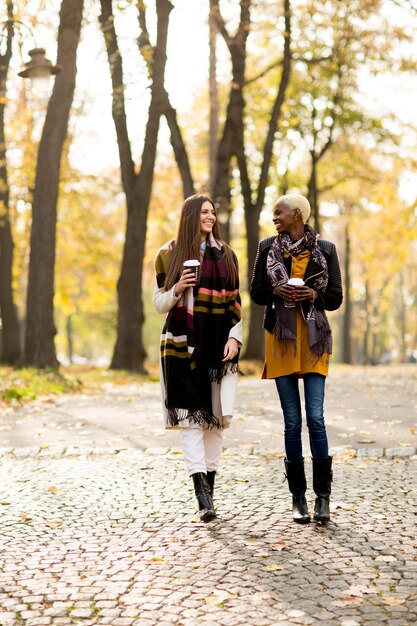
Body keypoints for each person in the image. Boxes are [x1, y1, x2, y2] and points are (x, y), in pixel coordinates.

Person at [250, 193, 343, 523]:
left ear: (297, 214)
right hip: (280, 339)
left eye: (279, 212)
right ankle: (298, 499)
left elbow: (335, 299)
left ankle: (323, 499)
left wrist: (313, 294)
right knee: (292, 421)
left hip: (314, 339)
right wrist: (275, 291)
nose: (274, 217)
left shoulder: (326, 249)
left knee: (315, 418)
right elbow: (256, 292)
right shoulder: (266, 248)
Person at [153, 194, 242, 522]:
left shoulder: (228, 255)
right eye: (205, 212)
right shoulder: (168, 254)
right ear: (191, 216)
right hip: (180, 347)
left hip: (218, 346)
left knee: (215, 423)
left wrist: (235, 338)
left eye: (213, 212)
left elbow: (236, 302)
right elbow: (159, 302)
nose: (211, 217)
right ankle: (202, 496)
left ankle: (211, 490)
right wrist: (177, 287)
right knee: (190, 423)